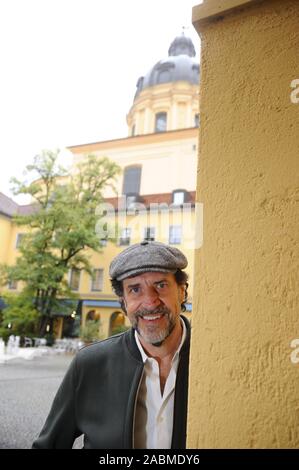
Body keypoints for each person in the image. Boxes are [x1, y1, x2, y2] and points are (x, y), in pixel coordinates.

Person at [32, 241, 191, 449]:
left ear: (181, 291)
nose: (150, 301)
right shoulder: (89, 364)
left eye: (161, 285)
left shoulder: (215, 360)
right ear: (123, 301)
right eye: (135, 289)